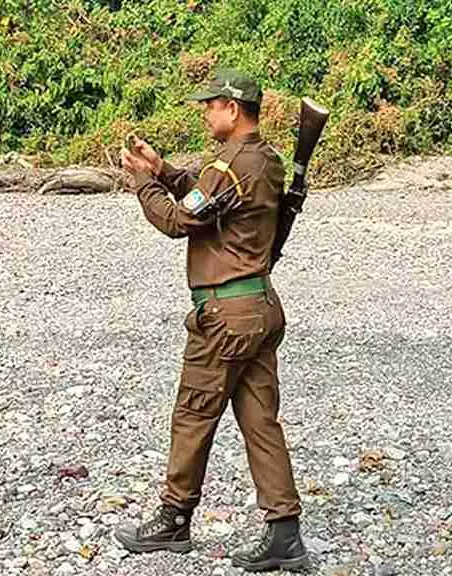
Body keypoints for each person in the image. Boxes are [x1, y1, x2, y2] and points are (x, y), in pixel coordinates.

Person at [115, 69, 310, 573]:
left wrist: (142, 181)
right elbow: (210, 198)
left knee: (194, 412)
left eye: (210, 105)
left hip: (225, 315)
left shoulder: (229, 162)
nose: (205, 113)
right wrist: (165, 170)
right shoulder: (264, 160)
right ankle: (284, 532)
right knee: (259, 420)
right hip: (260, 308)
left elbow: (179, 221)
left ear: (231, 107)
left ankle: (174, 518)